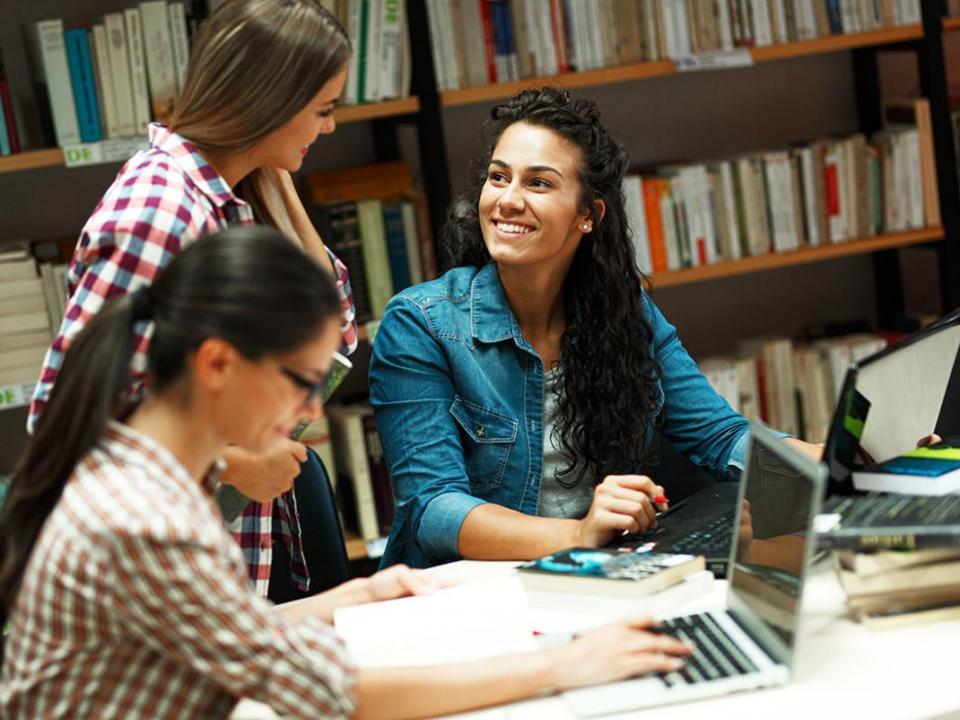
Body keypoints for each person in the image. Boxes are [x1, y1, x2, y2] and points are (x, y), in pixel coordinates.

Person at [0, 227, 691, 720]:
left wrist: (356, 598)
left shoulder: (142, 469)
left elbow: (222, 631)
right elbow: (337, 698)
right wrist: (563, 667)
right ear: (215, 364)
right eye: (302, 380)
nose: (311, 409)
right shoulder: (150, 519)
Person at [369, 87, 822, 569]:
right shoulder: (420, 324)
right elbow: (434, 509)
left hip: (597, 576)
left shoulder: (626, 312)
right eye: (498, 178)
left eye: (538, 184)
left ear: (589, 214)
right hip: (472, 593)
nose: (507, 200)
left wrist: (822, 462)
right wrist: (580, 533)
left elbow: (718, 434)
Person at [28, 0, 357, 596]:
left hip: (244, 548)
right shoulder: (158, 213)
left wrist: (270, 171)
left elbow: (333, 340)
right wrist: (230, 465)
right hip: (166, 573)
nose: (330, 127)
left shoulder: (234, 194)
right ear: (272, 101)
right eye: (323, 110)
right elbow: (60, 424)